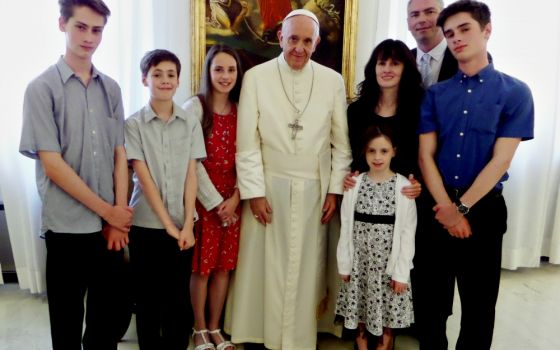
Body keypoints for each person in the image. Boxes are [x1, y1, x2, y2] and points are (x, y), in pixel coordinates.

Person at [224, 9, 352, 350]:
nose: (299, 47)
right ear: (280, 37)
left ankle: (299, 337)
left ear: (317, 43)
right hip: (270, 185)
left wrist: (335, 192)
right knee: (264, 263)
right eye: (293, 39)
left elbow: (342, 144)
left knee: (307, 263)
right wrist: (254, 193)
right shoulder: (257, 77)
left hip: (314, 188)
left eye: (307, 41)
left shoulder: (332, 81)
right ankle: (260, 331)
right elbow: (247, 142)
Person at [417, 1, 534, 349]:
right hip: (437, 208)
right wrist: (447, 209)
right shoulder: (436, 95)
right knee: (431, 307)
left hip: (483, 210)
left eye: (464, 29)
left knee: (479, 308)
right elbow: (425, 156)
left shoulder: (515, 92)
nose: (456, 39)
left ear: (487, 30)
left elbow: (501, 161)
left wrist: (462, 209)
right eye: (449, 33)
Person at [19, 1, 132, 349]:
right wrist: (108, 211)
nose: (89, 37)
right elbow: (53, 166)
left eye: (96, 30)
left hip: (107, 228)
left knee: (110, 318)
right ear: (62, 25)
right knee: (66, 324)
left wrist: (117, 216)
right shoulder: (41, 89)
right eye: (80, 27)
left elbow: (119, 155)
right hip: (66, 226)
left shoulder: (110, 89)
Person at [125, 49, 205, 349]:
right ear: (145, 79)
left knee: (177, 299)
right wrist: (169, 227)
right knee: (147, 299)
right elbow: (143, 180)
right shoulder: (133, 124)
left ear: (178, 79)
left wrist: (185, 225)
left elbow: (191, 174)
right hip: (146, 226)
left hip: (183, 226)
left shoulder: (189, 122)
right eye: (157, 74)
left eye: (171, 74)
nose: (165, 80)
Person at [182, 44, 243, 350]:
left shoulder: (241, 109)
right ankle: (199, 328)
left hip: (233, 201)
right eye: (219, 69)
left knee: (223, 267)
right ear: (208, 71)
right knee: (202, 268)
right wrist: (215, 202)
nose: (225, 76)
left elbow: (249, 157)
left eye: (231, 70)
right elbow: (191, 159)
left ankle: (216, 327)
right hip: (204, 200)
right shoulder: (195, 107)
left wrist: (235, 198)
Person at [336, 126, 417, 350]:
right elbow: (346, 228)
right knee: (361, 305)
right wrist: (345, 264)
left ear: (394, 152)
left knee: (386, 308)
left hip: (387, 266)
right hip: (360, 263)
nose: (377, 157)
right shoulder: (354, 185)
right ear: (364, 153)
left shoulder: (404, 188)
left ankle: (385, 342)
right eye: (372, 151)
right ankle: (361, 340)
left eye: (384, 151)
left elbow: (407, 233)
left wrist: (401, 272)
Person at [345, 39, 424, 198]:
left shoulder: (420, 110)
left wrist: (418, 182)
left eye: (395, 64)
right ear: (374, 68)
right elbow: (352, 156)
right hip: (364, 195)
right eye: (381, 63)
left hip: (405, 195)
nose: (387, 69)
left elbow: (424, 157)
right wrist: (348, 176)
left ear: (405, 69)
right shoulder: (356, 111)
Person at [407, 0, 458, 87]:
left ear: (444, 17)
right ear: (408, 23)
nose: (421, 20)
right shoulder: (401, 61)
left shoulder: (465, 58)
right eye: (415, 15)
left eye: (430, 12)